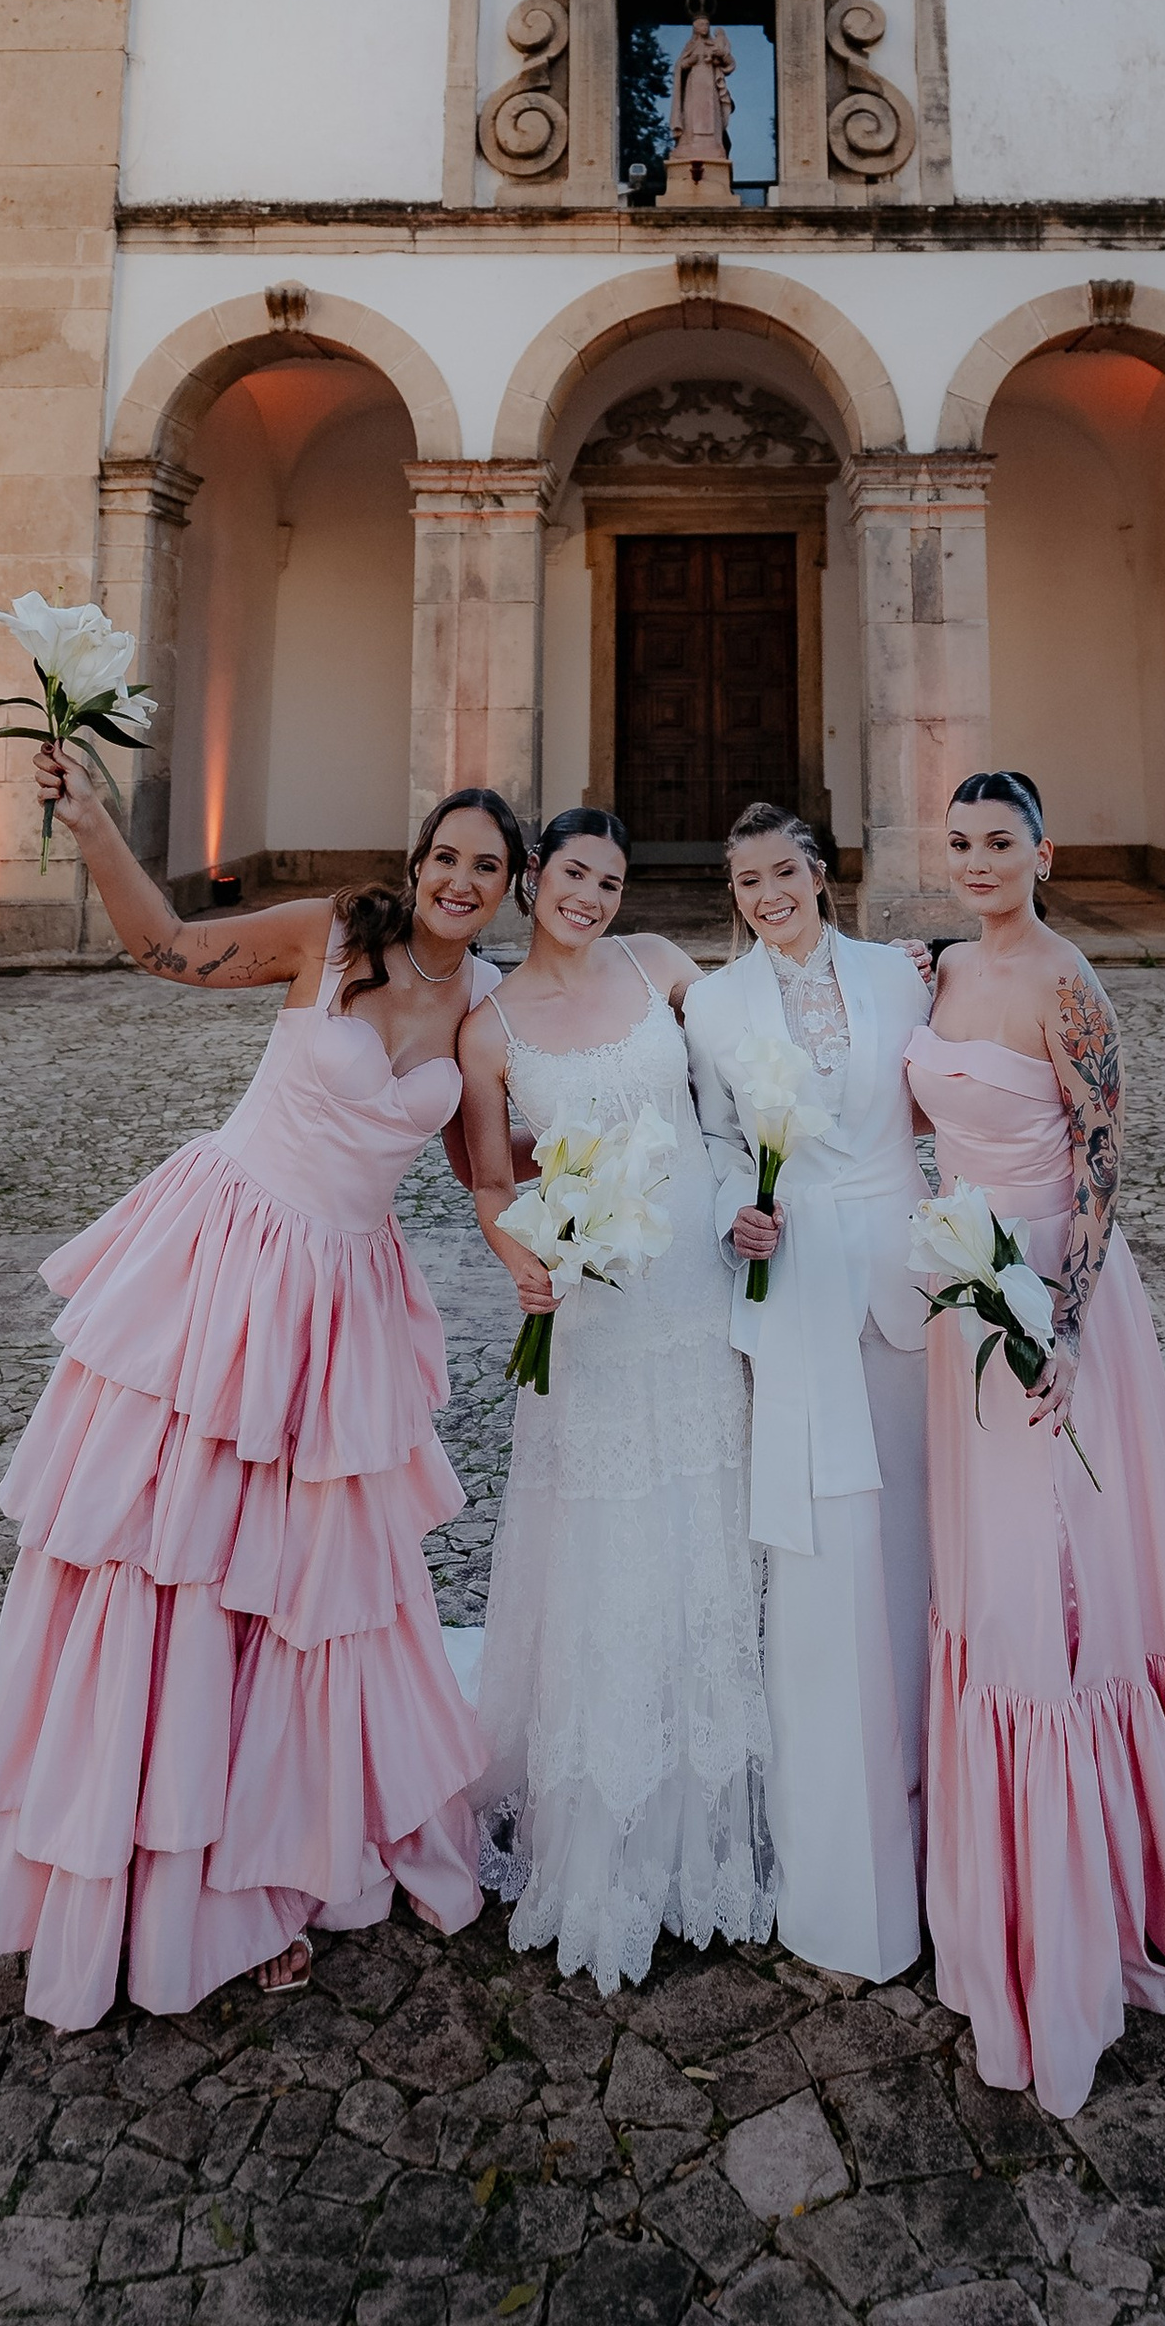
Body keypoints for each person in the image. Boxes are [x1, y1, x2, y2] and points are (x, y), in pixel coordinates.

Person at [0, 763, 527, 2030]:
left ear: (507, 889)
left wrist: (610, 1184)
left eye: (486, 866)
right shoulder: (331, 935)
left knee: (304, 1588)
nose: (459, 880)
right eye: (445, 855)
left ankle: (268, 1864)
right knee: (168, 1555)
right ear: (417, 859)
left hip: (340, 1309)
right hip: (225, 1259)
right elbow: (163, 945)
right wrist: (93, 821)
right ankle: (145, 1864)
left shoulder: (485, 1008)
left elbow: (490, 1169)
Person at [912, 769, 1165, 2116]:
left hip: (1047, 1302)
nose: (976, 860)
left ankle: (1098, 1890)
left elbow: (1101, 1159)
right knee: (991, 1570)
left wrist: (1062, 1324)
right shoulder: (938, 969)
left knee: (1058, 1576)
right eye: (959, 842)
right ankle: (1003, 1884)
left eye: (999, 841)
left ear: (1043, 851)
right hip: (961, 1291)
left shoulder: (1068, 982)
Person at [459, 808, 774, 1991]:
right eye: (574, 874)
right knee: (605, 1544)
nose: (590, 896)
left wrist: (890, 972)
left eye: (611, 879)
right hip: (591, 1314)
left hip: (693, 1285)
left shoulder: (660, 966)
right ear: (535, 879)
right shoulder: (488, 1028)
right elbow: (488, 1180)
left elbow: (760, 1037)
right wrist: (520, 1262)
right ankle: (608, 1832)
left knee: (704, 1527)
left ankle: (712, 1819)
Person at [684, 803, 933, 1984]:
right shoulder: (714, 1005)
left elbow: (948, 1100)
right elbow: (718, 1139)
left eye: (783, 870)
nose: (767, 893)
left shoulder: (899, 975)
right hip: (795, 1294)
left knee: (920, 1553)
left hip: (908, 1290)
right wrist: (734, 1207)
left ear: (822, 874)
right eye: (746, 880)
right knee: (824, 1569)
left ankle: (945, 1835)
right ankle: (839, 1875)